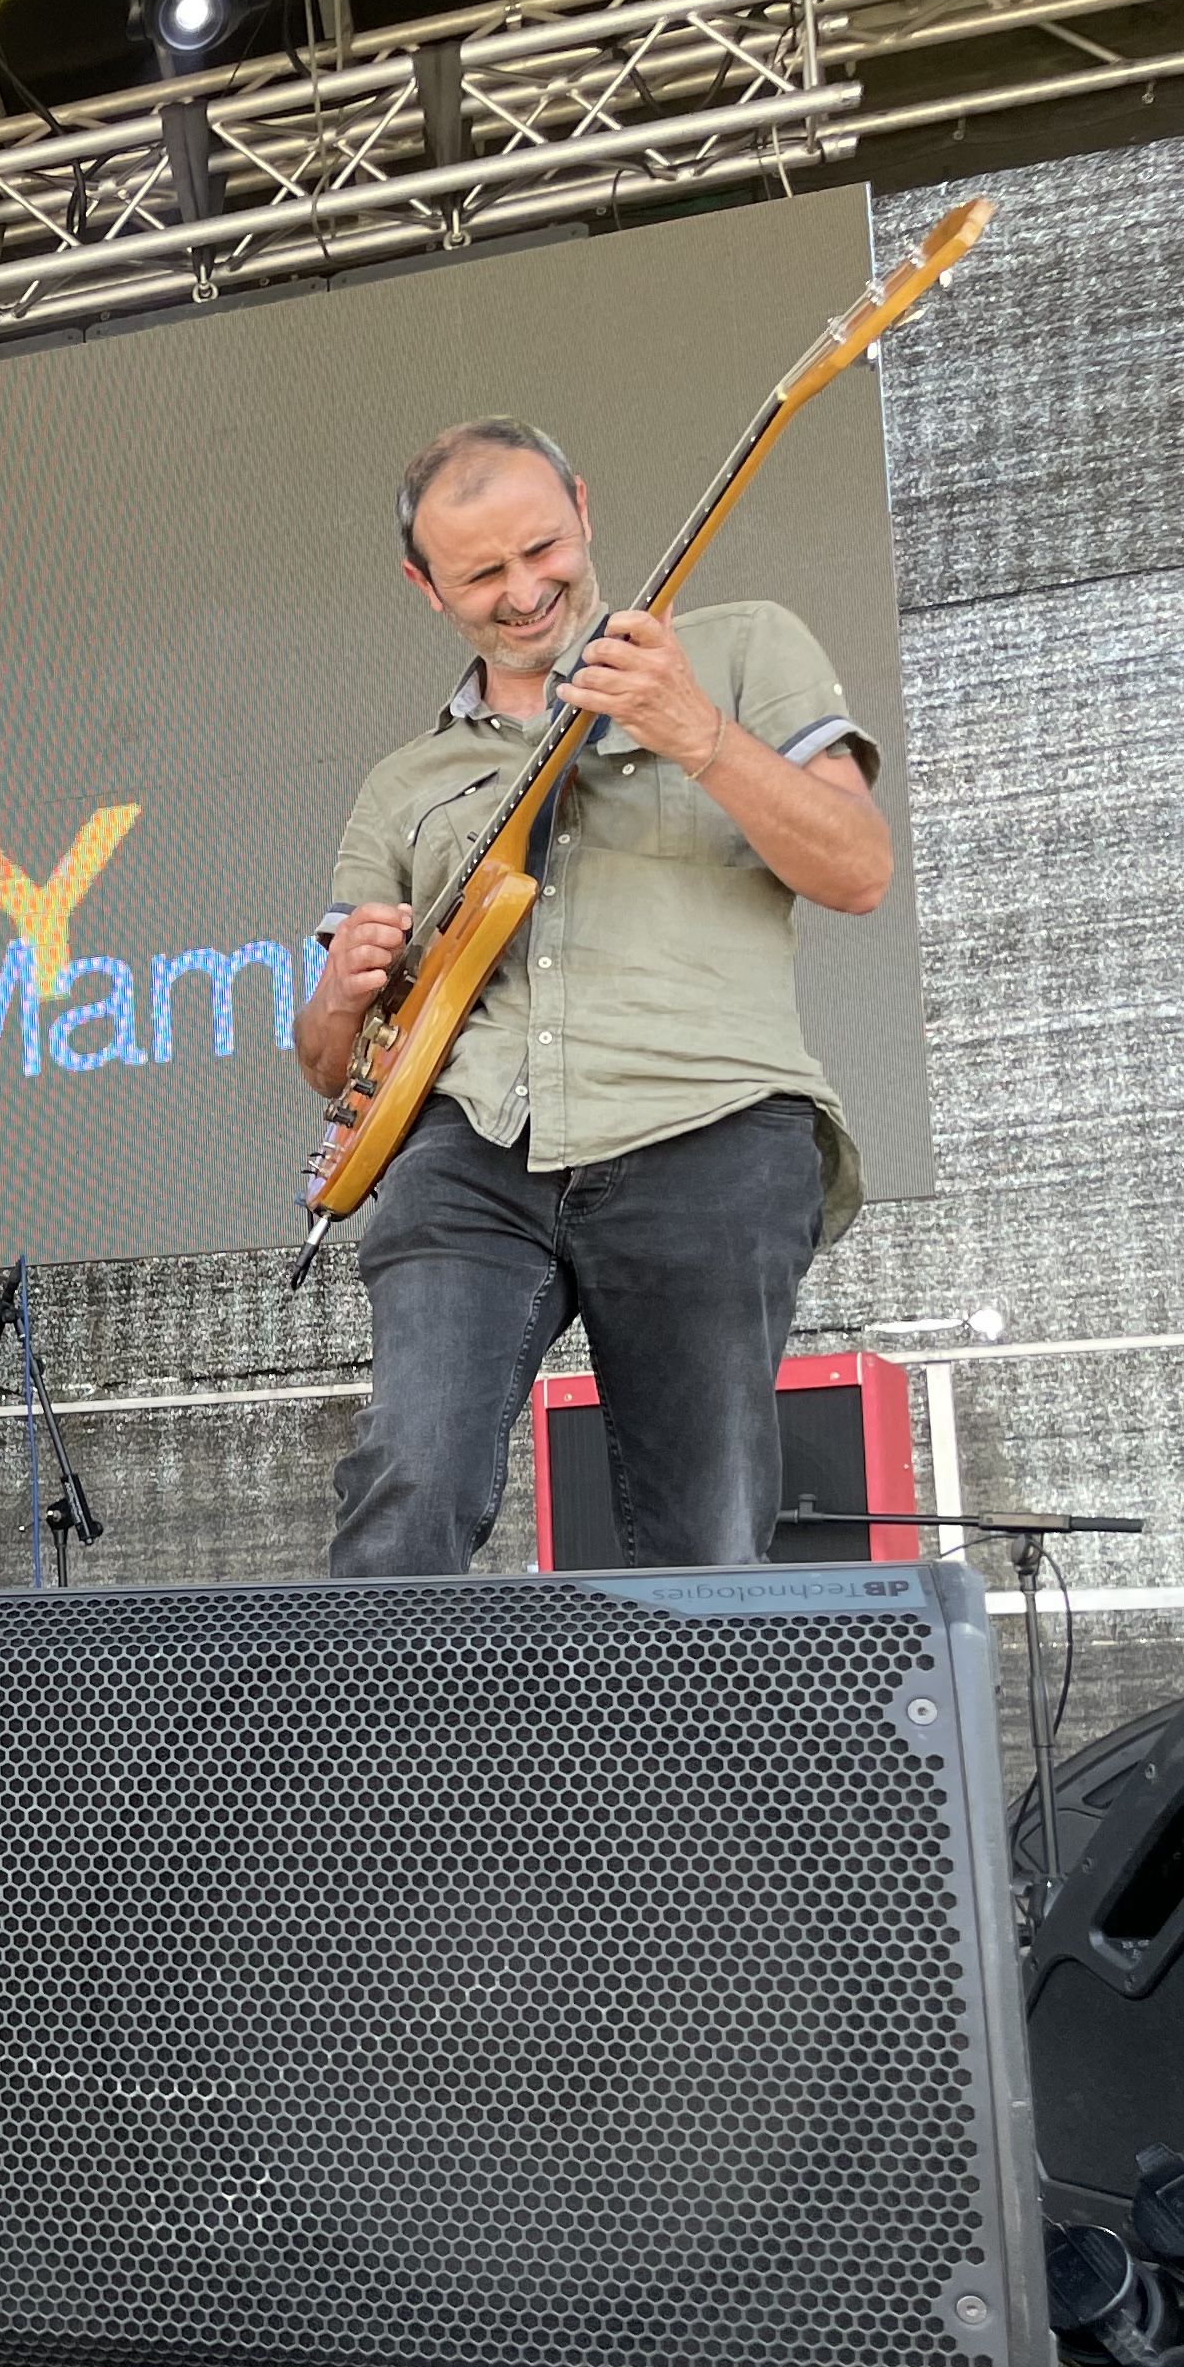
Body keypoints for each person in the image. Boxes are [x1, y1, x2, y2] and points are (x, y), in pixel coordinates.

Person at [298, 417, 891, 1576]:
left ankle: (699, 1766)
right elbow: (336, 1067)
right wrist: (333, 996)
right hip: (474, 1149)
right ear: (425, 588)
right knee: (404, 1485)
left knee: (703, 1538)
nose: (525, 592)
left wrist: (698, 735)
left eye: (544, 549)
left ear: (583, 505)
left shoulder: (735, 651)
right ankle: (379, 1758)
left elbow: (858, 871)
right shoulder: (401, 784)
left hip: (706, 1127)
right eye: (482, 575)